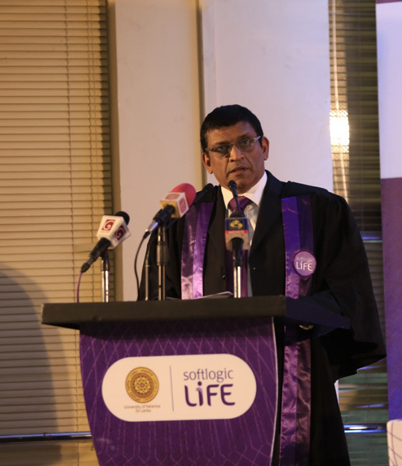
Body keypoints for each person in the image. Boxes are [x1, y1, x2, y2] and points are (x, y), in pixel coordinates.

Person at [145, 104, 385, 465]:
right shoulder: (180, 222)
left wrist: (294, 314)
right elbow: (157, 306)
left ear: (265, 147)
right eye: (222, 149)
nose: (235, 156)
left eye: (245, 142)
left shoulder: (318, 209)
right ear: (207, 161)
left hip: (297, 379)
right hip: (205, 387)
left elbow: (351, 296)